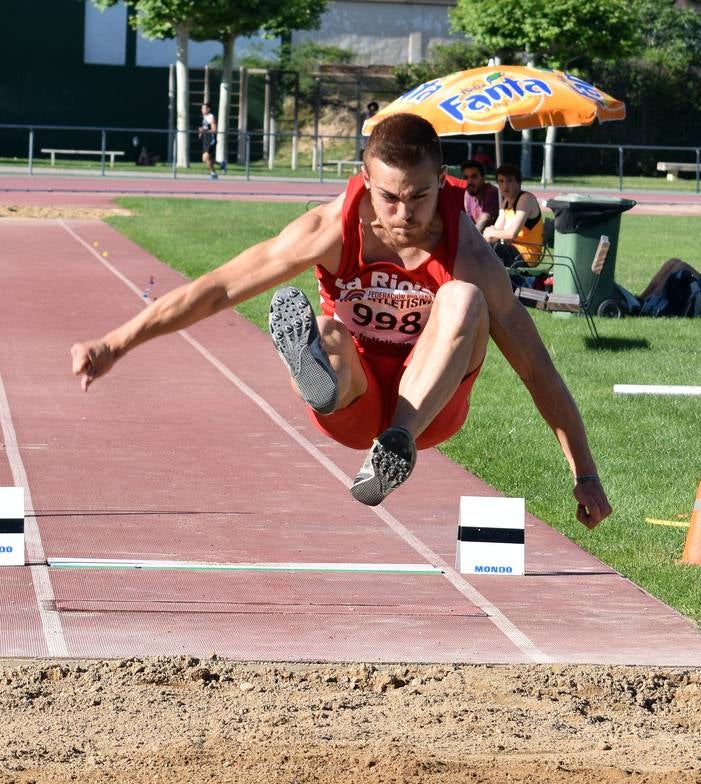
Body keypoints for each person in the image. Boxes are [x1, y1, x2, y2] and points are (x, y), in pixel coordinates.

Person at [70, 113, 611, 526]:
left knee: (464, 299)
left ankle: (394, 449)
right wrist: (115, 344)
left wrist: (583, 471)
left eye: (421, 197)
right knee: (325, 331)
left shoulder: (468, 250)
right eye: (389, 198)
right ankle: (322, 384)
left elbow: (536, 366)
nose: (404, 215)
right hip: (354, 396)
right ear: (364, 180)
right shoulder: (330, 228)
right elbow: (218, 289)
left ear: (441, 181)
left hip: (430, 408)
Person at [482, 163, 544, 267]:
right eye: (501, 181)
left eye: (510, 180)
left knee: (485, 252)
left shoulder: (526, 199)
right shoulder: (505, 202)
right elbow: (494, 236)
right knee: (478, 249)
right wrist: (487, 236)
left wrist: (492, 232)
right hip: (510, 250)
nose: (505, 186)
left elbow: (511, 234)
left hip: (526, 254)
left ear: (519, 182)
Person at [460, 159, 500, 234]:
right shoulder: (468, 194)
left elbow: (482, 223)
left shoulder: (491, 193)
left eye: (474, 176)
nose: (469, 182)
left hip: (495, 242)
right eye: (465, 177)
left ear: (483, 178)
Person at [198, 102, 218, 179]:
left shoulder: (211, 117)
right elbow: (203, 128)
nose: (202, 110)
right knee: (205, 159)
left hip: (211, 140)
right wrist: (200, 132)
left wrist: (204, 130)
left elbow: (214, 130)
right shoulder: (204, 117)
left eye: (204, 108)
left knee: (206, 158)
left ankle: (213, 173)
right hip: (206, 140)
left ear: (208, 109)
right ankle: (222, 164)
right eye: (201, 108)